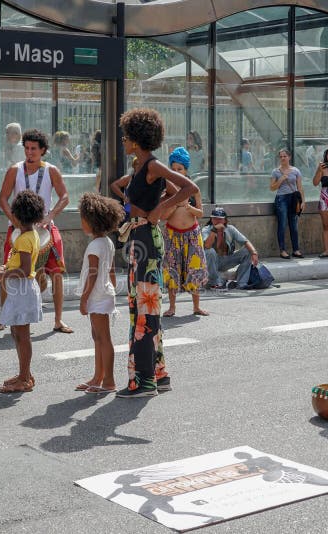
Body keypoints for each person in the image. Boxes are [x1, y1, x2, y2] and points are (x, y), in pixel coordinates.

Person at [118, 108, 198, 398]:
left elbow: (188, 188)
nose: (123, 140)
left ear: (137, 139)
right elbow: (172, 190)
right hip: (138, 238)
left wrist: (161, 209)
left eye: (126, 135)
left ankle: (144, 381)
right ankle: (158, 374)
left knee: (145, 309)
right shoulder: (139, 166)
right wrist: (159, 202)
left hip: (147, 238)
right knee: (141, 307)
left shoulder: (152, 165)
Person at [0, 128, 73, 334]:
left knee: (57, 272)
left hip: (45, 227)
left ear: (43, 150)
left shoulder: (51, 170)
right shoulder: (15, 170)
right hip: (18, 227)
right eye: (27, 148)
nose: (29, 152)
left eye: (34, 149)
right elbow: (3, 198)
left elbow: (65, 196)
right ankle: (3, 317)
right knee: (7, 270)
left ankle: (58, 320)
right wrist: (14, 221)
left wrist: (49, 217)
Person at [0, 190, 45, 394]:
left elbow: (24, 270)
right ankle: (25, 373)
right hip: (21, 289)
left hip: (22, 289)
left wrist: (4, 276)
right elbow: (19, 263)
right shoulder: (30, 234)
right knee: (16, 332)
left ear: (17, 215)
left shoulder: (24, 239)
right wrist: (5, 268)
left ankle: (24, 378)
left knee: (22, 335)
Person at [75, 192, 123, 394]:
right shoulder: (107, 242)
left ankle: (109, 381)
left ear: (92, 221)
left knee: (103, 338)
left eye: (83, 219)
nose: (81, 222)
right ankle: (98, 377)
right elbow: (110, 271)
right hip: (104, 293)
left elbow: (92, 274)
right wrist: (111, 291)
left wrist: (84, 299)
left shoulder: (95, 245)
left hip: (97, 295)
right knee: (98, 337)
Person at [161, 147, 209, 317]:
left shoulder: (193, 188)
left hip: (192, 234)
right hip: (172, 235)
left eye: (180, 169)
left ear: (186, 170)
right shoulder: (167, 190)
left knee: (194, 269)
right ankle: (172, 307)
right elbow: (163, 216)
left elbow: (201, 213)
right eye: (173, 170)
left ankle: (196, 306)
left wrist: (189, 207)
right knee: (172, 269)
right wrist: (175, 204)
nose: (177, 172)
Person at [202, 207, 259, 289]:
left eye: (220, 219)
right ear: (211, 219)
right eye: (214, 218)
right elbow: (207, 246)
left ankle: (242, 283)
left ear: (225, 220)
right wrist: (214, 230)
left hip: (226, 259)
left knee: (248, 251)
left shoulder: (230, 229)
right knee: (210, 251)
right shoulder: (206, 230)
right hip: (212, 262)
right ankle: (214, 283)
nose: (217, 221)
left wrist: (254, 253)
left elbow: (245, 241)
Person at [270, 148, 304, 259]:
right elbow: (272, 188)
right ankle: (282, 250)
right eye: (281, 156)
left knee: (294, 225)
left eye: (285, 156)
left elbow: (299, 187)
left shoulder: (295, 170)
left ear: (289, 157)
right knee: (282, 224)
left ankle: (296, 249)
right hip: (281, 199)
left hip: (293, 199)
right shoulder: (275, 171)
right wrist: (281, 179)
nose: (283, 158)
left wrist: (303, 201)